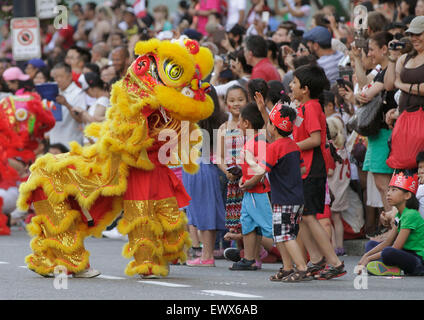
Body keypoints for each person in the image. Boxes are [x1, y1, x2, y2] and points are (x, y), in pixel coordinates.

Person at [290, 64, 347, 280]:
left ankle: (335, 262)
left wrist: (291, 147)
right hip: (303, 168)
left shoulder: (312, 107)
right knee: (302, 216)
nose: (291, 85)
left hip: (312, 168)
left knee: (310, 217)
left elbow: (315, 139)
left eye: (295, 82)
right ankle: (315, 259)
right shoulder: (302, 108)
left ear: (305, 88)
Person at [185, 87, 227, 267]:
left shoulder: (194, 120)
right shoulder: (219, 120)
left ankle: (207, 256)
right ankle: (206, 254)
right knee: (206, 211)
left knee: (202, 212)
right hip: (206, 168)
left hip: (198, 168)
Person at [229, 102, 272, 271]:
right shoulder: (252, 141)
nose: (238, 124)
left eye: (240, 121)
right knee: (247, 223)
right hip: (249, 191)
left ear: (246, 123)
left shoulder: (259, 141)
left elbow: (262, 169)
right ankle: (249, 258)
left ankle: (292, 255)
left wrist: (250, 182)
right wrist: (243, 179)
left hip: (258, 191)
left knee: (269, 225)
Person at [357, 171, 424, 276]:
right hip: (404, 254)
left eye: (394, 190)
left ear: (407, 195)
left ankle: (384, 265)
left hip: (417, 261)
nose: (388, 193)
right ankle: (389, 268)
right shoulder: (399, 215)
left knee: (389, 252)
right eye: (388, 190)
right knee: (370, 245)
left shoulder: (411, 215)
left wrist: (368, 258)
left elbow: (396, 247)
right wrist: (366, 255)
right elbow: (388, 241)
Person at [357, 32, 396, 215]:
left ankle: (395, 228)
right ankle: (392, 228)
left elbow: (365, 94)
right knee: (382, 184)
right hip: (379, 133)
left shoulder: (390, 70)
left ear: (384, 49)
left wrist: (359, 95)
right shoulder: (382, 72)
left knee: (384, 183)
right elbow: (364, 88)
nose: (370, 54)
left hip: (384, 133)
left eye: (372, 50)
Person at [384, 16, 424, 170]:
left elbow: (397, 83)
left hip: (421, 122)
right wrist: (392, 59)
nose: (414, 38)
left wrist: (402, 85)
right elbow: (389, 85)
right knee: (404, 174)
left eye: (418, 34)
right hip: (405, 124)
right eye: (411, 34)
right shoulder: (405, 58)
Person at [217, 85, 248, 237]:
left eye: (240, 100)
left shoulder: (251, 126)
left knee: (250, 218)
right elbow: (219, 157)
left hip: (250, 179)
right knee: (235, 219)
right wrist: (227, 172)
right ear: (226, 104)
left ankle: (254, 254)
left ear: (247, 102)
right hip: (233, 180)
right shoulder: (223, 128)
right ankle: (241, 251)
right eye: (232, 100)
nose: (236, 103)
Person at [49, 62, 87, 148]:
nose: (57, 80)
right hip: (54, 143)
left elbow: (81, 119)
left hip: (71, 143)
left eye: (60, 76)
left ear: (70, 76)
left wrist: (66, 104)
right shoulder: (53, 92)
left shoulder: (78, 93)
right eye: (55, 77)